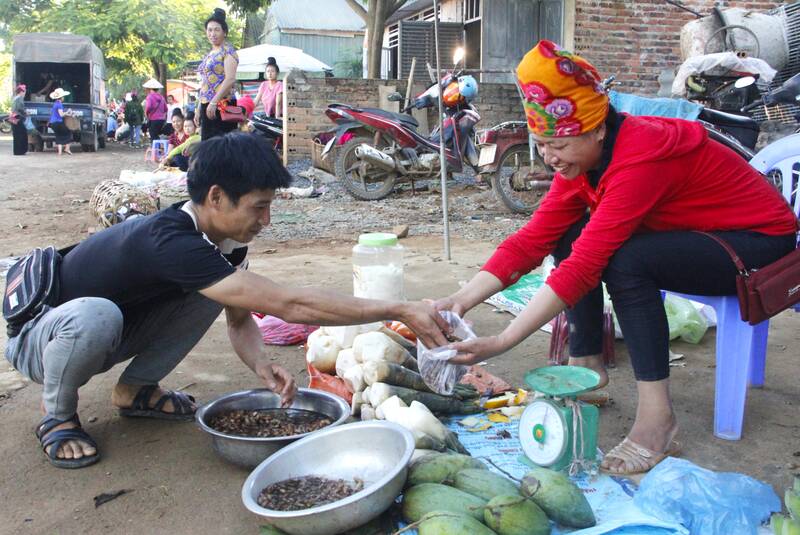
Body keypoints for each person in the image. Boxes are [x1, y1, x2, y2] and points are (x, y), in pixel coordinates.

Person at [433, 40, 798, 476]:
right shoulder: (582, 162)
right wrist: (460, 300)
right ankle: (587, 362)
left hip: (758, 243)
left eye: (559, 145)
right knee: (567, 230)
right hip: (702, 231)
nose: (550, 158)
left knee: (626, 260)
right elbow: (532, 240)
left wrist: (504, 340)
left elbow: (586, 265)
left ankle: (657, 421)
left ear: (597, 129)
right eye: (541, 144)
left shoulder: (640, 157)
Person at [4, 132, 449, 469]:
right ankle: (57, 416)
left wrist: (259, 364)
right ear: (216, 196)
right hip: (43, 340)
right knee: (93, 313)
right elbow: (289, 304)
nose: (267, 220)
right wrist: (398, 308)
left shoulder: (222, 244)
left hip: (110, 331)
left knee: (213, 293)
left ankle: (135, 392)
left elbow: (239, 318)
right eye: (258, 207)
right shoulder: (170, 240)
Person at [197, 8, 239, 140]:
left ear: (224, 32)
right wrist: (199, 108)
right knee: (207, 146)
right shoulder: (208, 55)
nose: (212, 33)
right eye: (209, 30)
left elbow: (230, 79)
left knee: (224, 146)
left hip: (222, 105)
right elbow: (204, 83)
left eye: (217, 29)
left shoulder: (229, 52)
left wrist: (214, 102)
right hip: (206, 104)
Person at [48, 88, 73, 155]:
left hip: (53, 123)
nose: (64, 98)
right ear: (61, 97)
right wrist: (68, 111)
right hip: (58, 122)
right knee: (68, 132)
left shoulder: (55, 103)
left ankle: (60, 152)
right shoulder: (59, 104)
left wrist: (66, 113)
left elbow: (58, 113)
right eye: (63, 97)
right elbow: (61, 114)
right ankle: (67, 149)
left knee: (58, 135)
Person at [11, 84, 28, 156]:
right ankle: (20, 151)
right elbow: (20, 108)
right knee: (22, 134)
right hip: (17, 117)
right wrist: (26, 112)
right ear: (21, 91)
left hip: (13, 117)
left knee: (16, 135)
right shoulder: (20, 98)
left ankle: (17, 151)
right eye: (24, 91)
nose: (25, 93)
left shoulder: (15, 98)